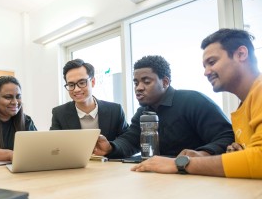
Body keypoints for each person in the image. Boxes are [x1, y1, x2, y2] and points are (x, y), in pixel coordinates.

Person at [133, 29, 262, 178]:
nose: (206, 72)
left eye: (212, 62)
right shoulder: (245, 104)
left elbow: (258, 159)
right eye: (204, 66)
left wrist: (180, 164)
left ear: (241, 54)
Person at [94, 55, 234, 158]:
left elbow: (227, 136)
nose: (139, 88)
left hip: (195, 176)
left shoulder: (193, 101)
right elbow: (130, 140)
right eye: (136, 83)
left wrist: (203, 153)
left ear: (165, 82)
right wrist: (110, 147)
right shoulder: (144, 112)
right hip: (160, 175)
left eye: (146, 82)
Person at [50, 59, 129, 158]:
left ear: (93, 82)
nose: (76, 89)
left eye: (82, 83)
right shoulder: (59, 113)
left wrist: (110, 147)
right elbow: (53, 146)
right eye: (71, 85)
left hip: (109, 167)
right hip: (74, 168)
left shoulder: (115, 110)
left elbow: (126, 141)